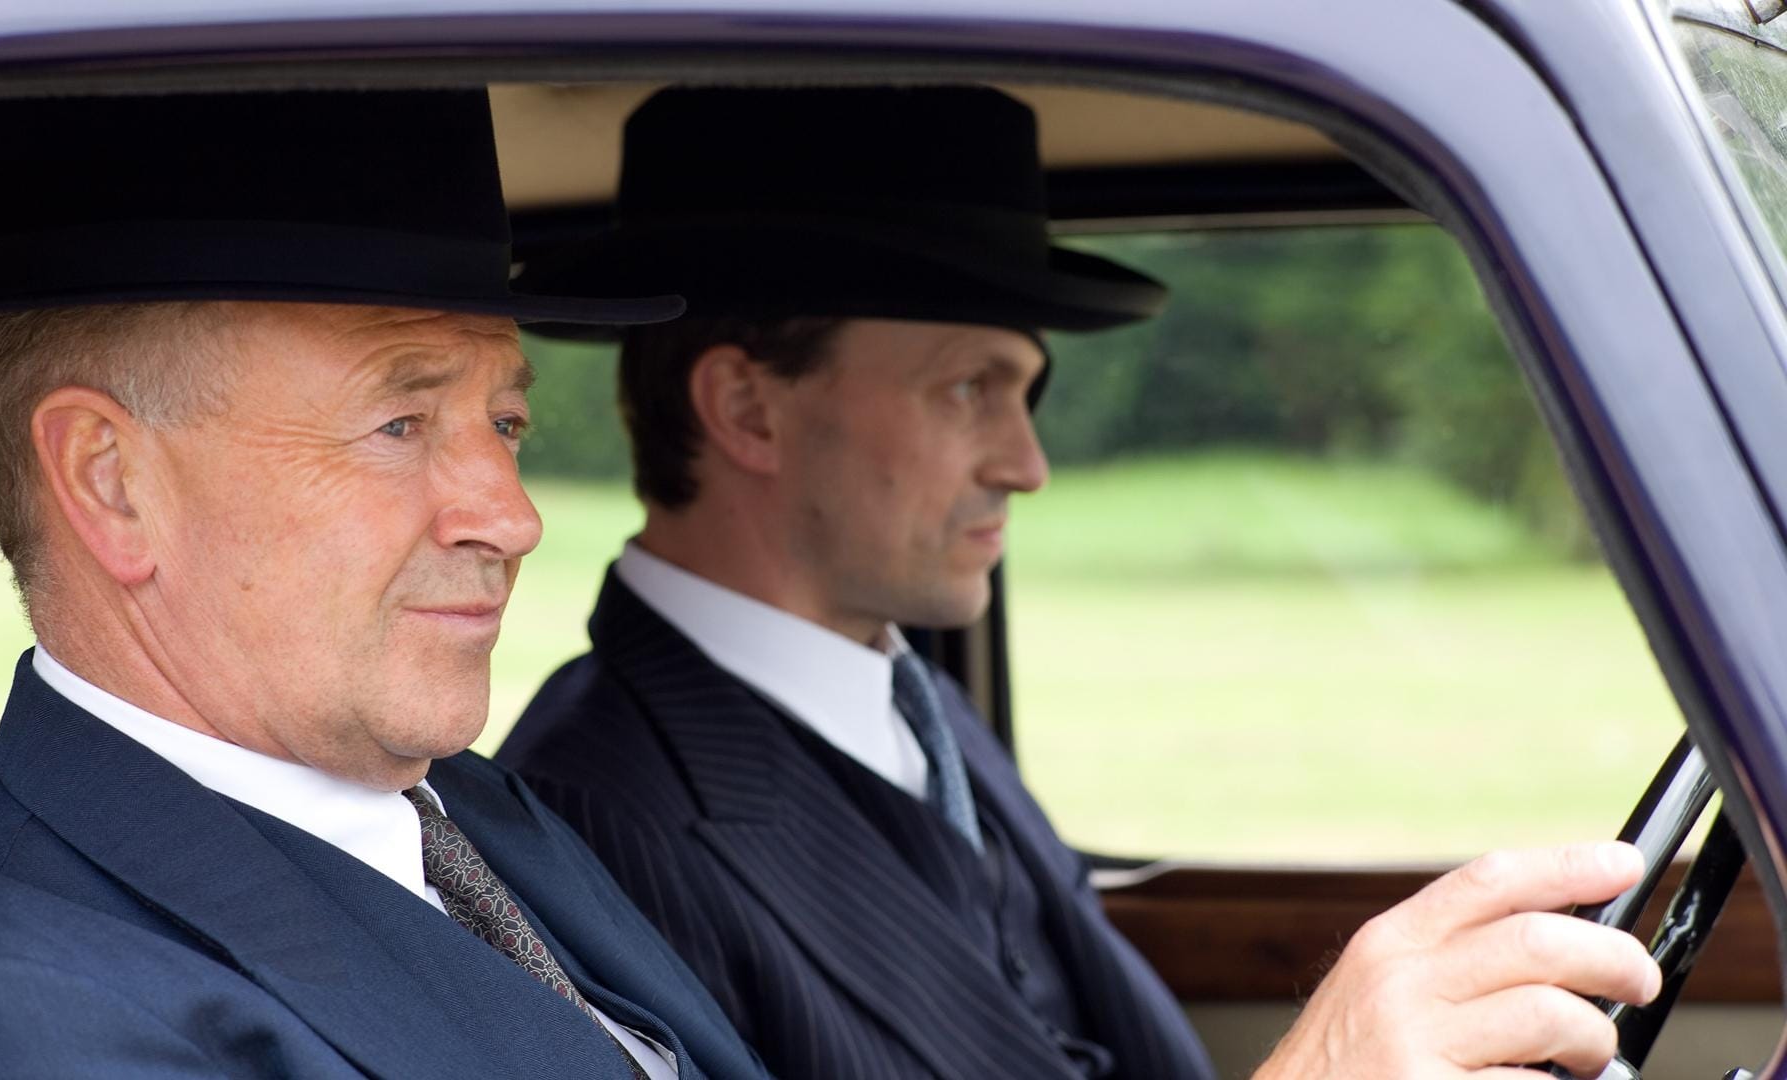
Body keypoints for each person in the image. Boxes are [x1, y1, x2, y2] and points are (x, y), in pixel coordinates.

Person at [499, 85, 1661, 1080]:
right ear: (748, 408)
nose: (1028, 464)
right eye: (969, 389)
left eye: (1027, 394)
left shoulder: (913, 707)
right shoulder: (588, 817)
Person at [0, 88, 768, 1079]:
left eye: (504, 424)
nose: (515, 519)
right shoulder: (13, 1013)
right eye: (399, 425)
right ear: (111, 483)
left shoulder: (461, 806)